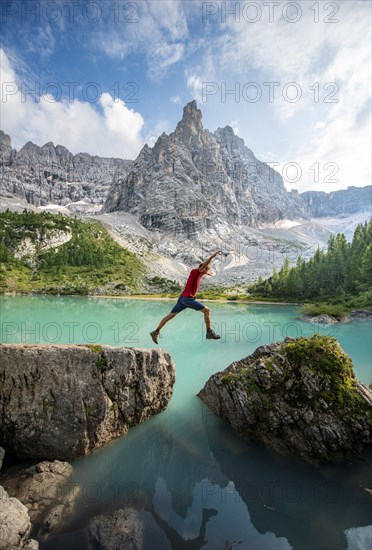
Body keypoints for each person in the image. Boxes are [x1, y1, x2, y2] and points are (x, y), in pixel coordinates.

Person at [150, 251, 222, 343]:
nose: (206, 272)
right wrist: (212, 256)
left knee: (171, 315)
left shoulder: (196, 274)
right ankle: (209, 332)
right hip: (187, 299)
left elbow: (202, 271)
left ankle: (156, 332)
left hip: (182, 299)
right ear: (202, 268)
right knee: (207, 311)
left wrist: (205, 273)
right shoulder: (196, 272)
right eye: (206, 270)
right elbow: (204, 266)